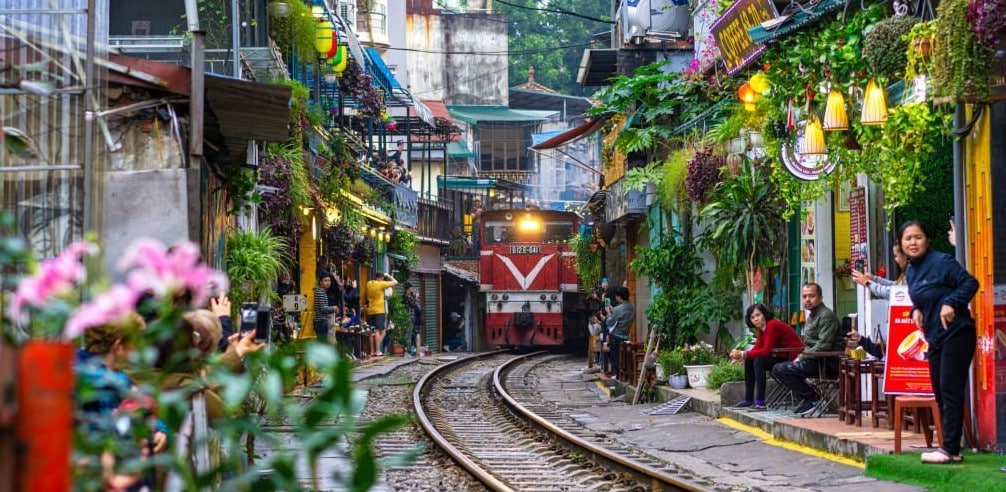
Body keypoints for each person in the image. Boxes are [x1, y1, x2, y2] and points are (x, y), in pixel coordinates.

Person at [898, 221, 979, 464]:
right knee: (940, 393)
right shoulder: (911, 270)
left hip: (957, 333)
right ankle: (950, 447)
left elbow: (970, 283)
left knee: (950, 390)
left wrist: (951, 303)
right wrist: (915, 309)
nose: (913, 242)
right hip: (934, 337)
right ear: (901, 244)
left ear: (927, 240)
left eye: (918, 237)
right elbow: (924, 295)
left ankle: (949, 449)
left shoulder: (942, 262)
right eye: (908, 239)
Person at [771, 283, 843, 416]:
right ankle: (809, 398)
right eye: (804, 297)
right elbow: (811, 343)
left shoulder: (826, 316)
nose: (808, 300)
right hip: (814, 360)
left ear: (820, 297)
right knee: (778, 368)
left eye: (812, 296)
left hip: (825, 364)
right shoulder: (812, 316)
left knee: (782, 369)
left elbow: (824, 345)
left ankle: (812, 398)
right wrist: (803, 355)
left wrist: (802, 356)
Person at [730, 304, 804, 410]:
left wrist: (743, 354)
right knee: (750, 361)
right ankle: (748, 399)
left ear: (764, 314)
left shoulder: (772, 325)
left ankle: (760, 402)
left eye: (758, 315)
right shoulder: (762, 329)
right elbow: (757, 348)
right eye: (752, 317)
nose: (756, 319)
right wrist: (744, 357)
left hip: (794, 358)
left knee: (759, 360)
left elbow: (766, 351)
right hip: (784, 357)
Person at [849, 244, 910, 358]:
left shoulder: (913, 273)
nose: (896, 260)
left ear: (906, 256)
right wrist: (873, 278)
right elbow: (895, 286)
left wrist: (867, 282)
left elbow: (891, 292)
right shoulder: (907, 273)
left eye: (897, 256)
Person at [603, 286, 634, 378]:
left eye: (616, 296)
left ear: (619, 297)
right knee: (625, 358)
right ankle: (625, 375)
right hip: (626, 335)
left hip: (616, 336)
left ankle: (619, 375)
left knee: (615, 357)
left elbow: (609, 322)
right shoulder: (632, 308)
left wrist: (609, 312)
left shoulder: (617, 309)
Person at [365, 272, 398, 356]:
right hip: (379, 310)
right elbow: (395, 282)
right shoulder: (381, 284)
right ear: (382, 278)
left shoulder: (369, 283)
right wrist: (388, 276)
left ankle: (372, 352)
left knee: (372, 332)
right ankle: (377, 350)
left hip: (369, 310)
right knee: (381, 332)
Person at [313, 274, 336, 343]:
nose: (328, 283)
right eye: (325, 281)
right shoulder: (320, 292)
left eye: (329, 281)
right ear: (320, 282)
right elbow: (323, 308)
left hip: (321, 321)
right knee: (322, 344)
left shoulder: (321, 292)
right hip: (321, 322)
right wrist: (333, 308)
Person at [404, 282, 423, 355]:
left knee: (410, 333)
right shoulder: (408, 296)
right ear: (409, 288)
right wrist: (416, 297)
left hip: (409, 316)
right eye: (411, 288)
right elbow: (415, 305)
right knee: (409, 333)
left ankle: (408, 349)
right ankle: (407, 350)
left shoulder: (407, 295)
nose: (412, 289)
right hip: (410, 316)